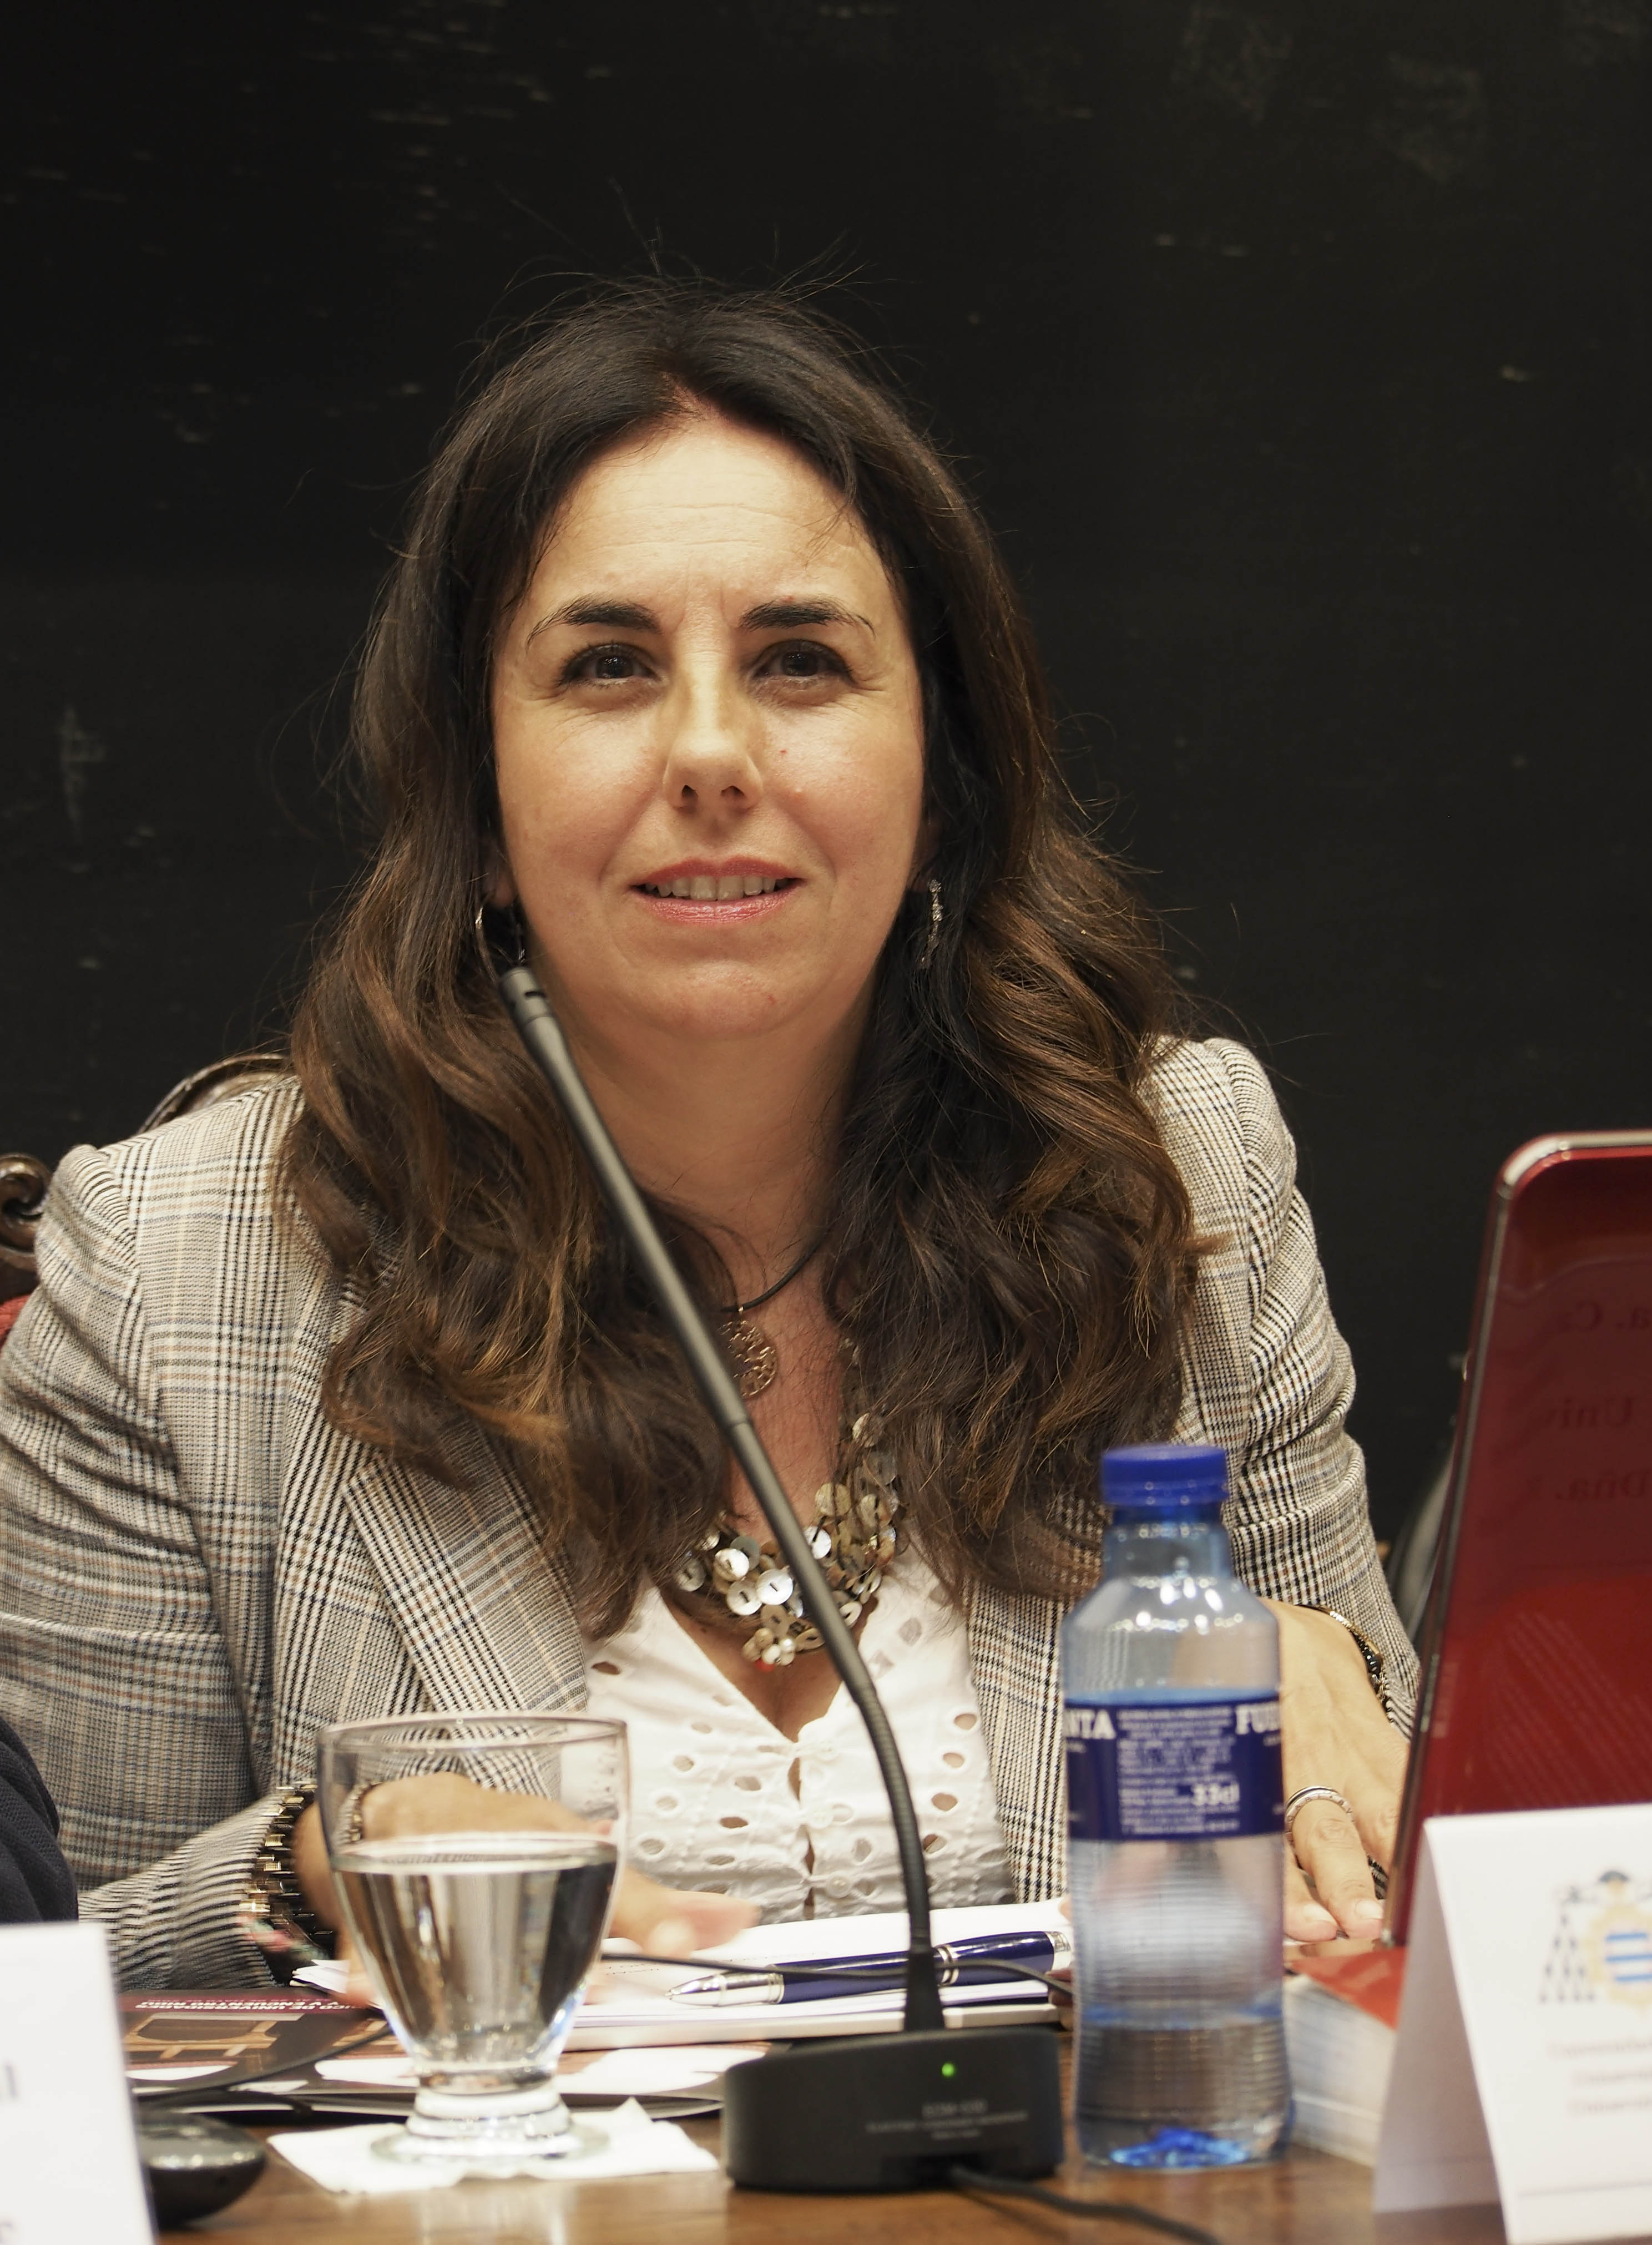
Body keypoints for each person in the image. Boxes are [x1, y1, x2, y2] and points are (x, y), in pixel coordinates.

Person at [0, 281, 1413, 1991]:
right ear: (479, 795)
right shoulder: (178, 1273)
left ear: (943, 773)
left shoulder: (1173, 1170)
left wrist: (1329, 1705)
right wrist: (311, 1862)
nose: (710, 755)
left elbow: (1393, 1868)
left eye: (798, 662)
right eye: (605, 668)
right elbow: (43, 1987)